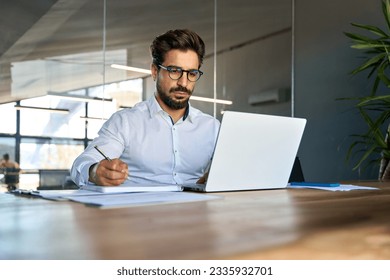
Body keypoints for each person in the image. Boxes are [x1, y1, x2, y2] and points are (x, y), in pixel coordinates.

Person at [71, 29, 220, 187]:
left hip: (195, 209)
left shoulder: (212, 127)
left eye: (191, 73)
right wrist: (95, 172)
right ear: (155, 71)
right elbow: (81, 164)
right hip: (139, 209)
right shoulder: (126, 122)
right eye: (174, 71)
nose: (183, 83)